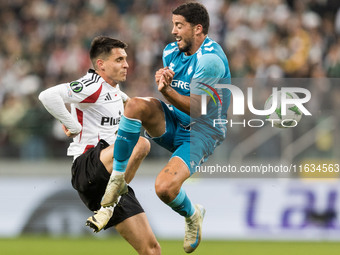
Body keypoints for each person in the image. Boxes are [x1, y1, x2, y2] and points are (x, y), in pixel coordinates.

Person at [88, 2, 231, 253]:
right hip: (175, 120)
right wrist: (165, 81)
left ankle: (193, 214)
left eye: (179, 25)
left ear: (198, 29)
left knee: (164, 189)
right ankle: (117, 179)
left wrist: (166, 89)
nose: (174, 31)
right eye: (173, 24)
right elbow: (173, 88)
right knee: (134, 105)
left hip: (202, 131)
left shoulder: (210, 60)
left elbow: (199, 109)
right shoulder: (170, 52)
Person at [39, 36, 161, 255]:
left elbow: (126, 103)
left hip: (109, 175)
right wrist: (72, 125)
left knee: (151, 250)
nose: (126, 64)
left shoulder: (116, 92)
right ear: (101, 64)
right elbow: (48, 96)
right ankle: (111, 202)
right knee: (140, 144)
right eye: (119, 59)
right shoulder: (91, 85)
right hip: (88, 168)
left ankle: (109, 205)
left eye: (126, 59)